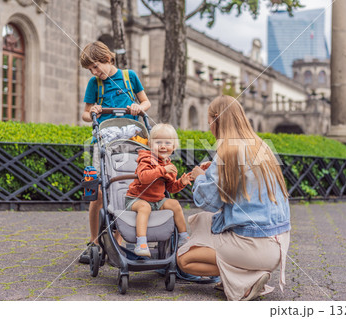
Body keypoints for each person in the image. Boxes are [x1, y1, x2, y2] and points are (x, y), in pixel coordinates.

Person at [176, 95, 291, 301]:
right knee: (202, 221)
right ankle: (249, 273)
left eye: (209, 121)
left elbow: (209, 203)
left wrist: (200, 178)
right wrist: (213, 172)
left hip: (253, 246)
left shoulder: (227, 152)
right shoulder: (262, 147)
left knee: (183, 260)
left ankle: (248, 280)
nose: (209, 127)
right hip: (279, 242)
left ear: (216, 119)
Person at [79, 41, 151, 263]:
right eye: (90, 69)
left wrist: (139, 108)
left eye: (96, 66)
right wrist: (93, 111)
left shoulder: (129, 77)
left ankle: (116, 242)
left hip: (129, 142)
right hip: (103, 141)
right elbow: (84, 114)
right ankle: (93, 242)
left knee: (124, 187)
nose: (94, 72)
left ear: (108, 59)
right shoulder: (94, 84)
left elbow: (146, 102)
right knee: (98, 192)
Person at [126, 123, 192, 257]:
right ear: (150, 145)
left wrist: (181, 183)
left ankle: (183, 236)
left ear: (174, 147)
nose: (163, 146)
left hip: (157, 201)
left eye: (167, 143)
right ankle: (141, 243)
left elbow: (170, 188)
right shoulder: (145, 159)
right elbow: (143, 177)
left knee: (174, 204)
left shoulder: (170, 166)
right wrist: (162, 170)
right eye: (158, 142)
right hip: (137, 199)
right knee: (145, 207)